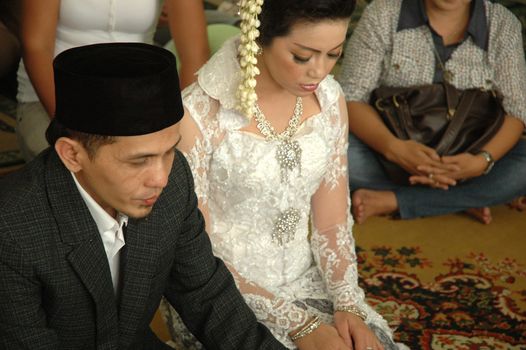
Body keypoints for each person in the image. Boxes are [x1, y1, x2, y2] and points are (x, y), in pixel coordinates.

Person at [0, 42, 285, 350]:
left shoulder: (174, 182)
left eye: (169, 152)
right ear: (72, 155)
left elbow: (205, 293)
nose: (160, 178)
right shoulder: (11, 227)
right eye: (138, 161)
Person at [160, 0, 405, 349]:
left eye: (333, 54)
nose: (318, 72)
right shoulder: (198, 114)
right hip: (219, 297)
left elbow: (332, 223)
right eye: (303, 56)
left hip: (304, 280)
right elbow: (197, 255)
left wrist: (349, 305)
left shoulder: (330, 98)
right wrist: (299, 326)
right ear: (258, 36)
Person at [337, 0, 526, 224]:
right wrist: (393, 148)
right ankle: (458, 198)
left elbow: (518, 111)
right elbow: (350, 97)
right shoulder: (383, 13)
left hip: (468, 155)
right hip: (388, 153)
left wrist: (482, 161)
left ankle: (399, 200)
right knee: (331, 149)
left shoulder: (502, 24)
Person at [16, 0, 210, 161]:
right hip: (56, 98)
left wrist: (179, 126)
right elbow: (36, 46)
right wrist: (68, 125)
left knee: (164, 170)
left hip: (138, 101)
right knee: (75, 167)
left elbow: (195, 54)